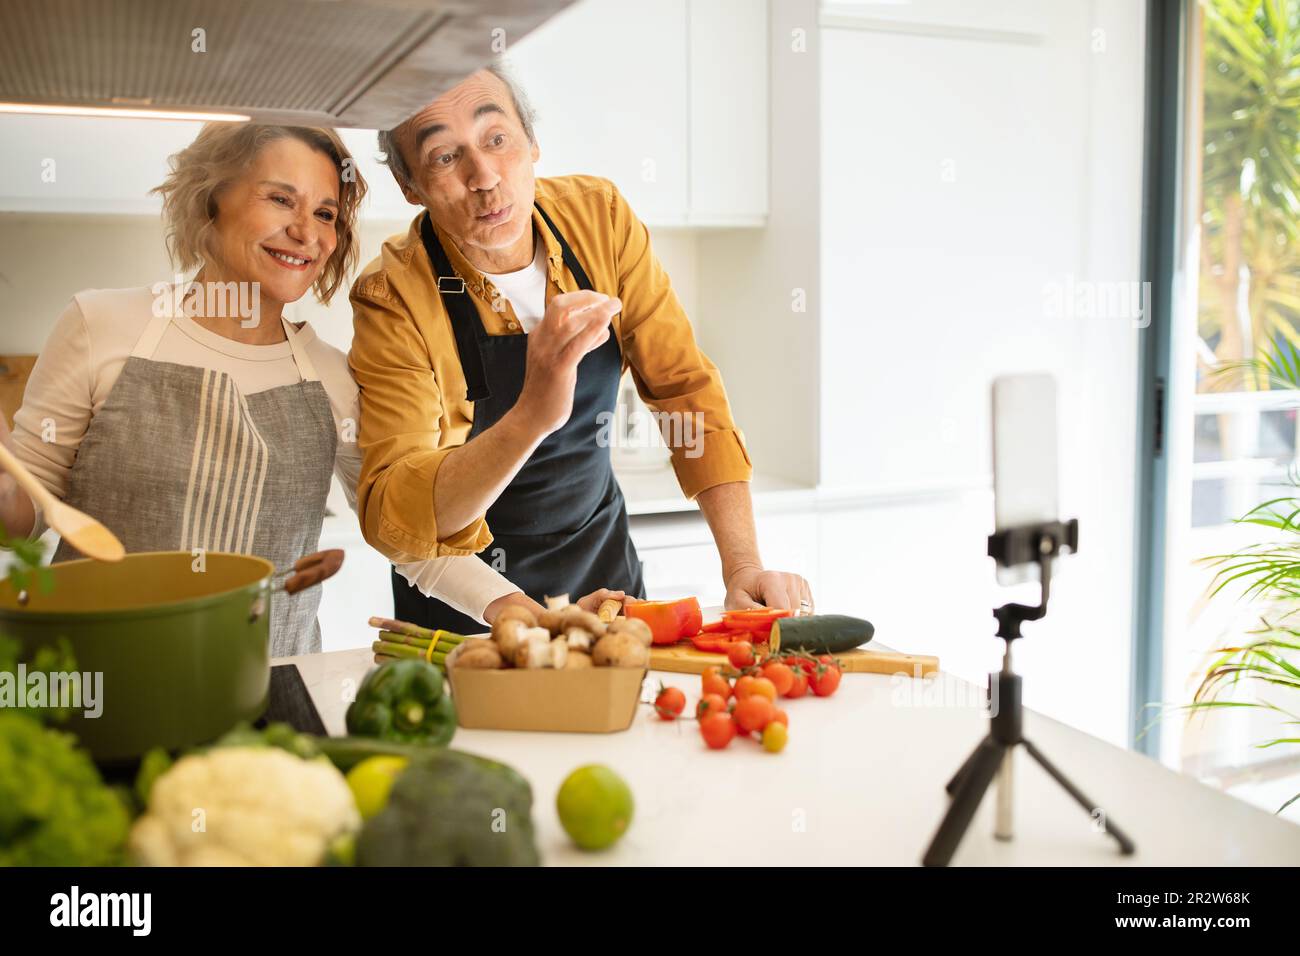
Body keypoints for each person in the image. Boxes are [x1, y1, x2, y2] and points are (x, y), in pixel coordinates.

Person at [0, 123, 591, 655]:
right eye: (280, 199)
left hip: (265, 696)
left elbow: (410, 540)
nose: (305, 232)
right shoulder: (100, 326)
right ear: (212, 202)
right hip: (88, 686)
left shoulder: (330, 377)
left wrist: (525, 612)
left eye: (327, 214)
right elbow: (23, 516)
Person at [349, 62, 814, 635]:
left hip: (606, 577)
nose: (485, 176)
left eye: (498, 140)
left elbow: (682, 389)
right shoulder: (392, 296)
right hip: (474, 610)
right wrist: (530, 418)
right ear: (410, 186)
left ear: (533, 142)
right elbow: (396, 509)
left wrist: (743, 564)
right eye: (445, 157)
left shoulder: (601, 218)